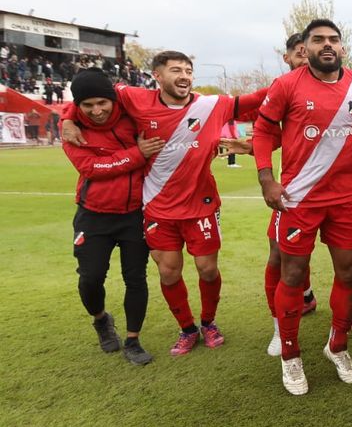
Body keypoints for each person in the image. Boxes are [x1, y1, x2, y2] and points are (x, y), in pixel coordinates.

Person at [61, 52, 266, 356]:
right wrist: (66, 117)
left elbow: (258, 99)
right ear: (156, 76)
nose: (183, 76)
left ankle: (209, 323)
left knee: (207, 270)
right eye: (175, 70)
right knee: (168, 273)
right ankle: (186, 329)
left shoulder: (212, 104)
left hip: (202, 204)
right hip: (157, 206)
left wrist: (298, 76)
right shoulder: (133, 98)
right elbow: (90, 94)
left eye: (188, 70)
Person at [254, 19, 352, 395]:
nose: (327, 45)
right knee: (292, 274)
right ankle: (290, 356)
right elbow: (262, 131)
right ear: (304, 47)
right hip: (298, 198)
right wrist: (266, 178)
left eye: (334, 40)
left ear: (343, 47)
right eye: (318, 40)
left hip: (346, 198)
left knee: (349, 271)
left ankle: (337, 346)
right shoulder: (286, 85)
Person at [62, 70, 158, 365]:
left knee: (136, 278)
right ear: (78, 105)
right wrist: (136, 154)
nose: (97, 111)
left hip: (134, 214)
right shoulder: (72, 132)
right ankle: (102, 319)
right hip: (93, 216)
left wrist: (65, 113)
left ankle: (132, 340)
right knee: (90, 279)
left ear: (112, 99)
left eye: (102, 102)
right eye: (87, 105)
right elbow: (92, 168)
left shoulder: (132, 113)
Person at [263, 33, 321, 357]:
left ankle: (312, 299)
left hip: (335, 192)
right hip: (294, 192)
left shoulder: (340, 86)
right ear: (287, 58)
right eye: (299, 53)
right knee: (280, 255)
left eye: (308, 52)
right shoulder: (282, 86)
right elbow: (266, 130)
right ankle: (278, 328)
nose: (305, 58)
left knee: (345, 260)